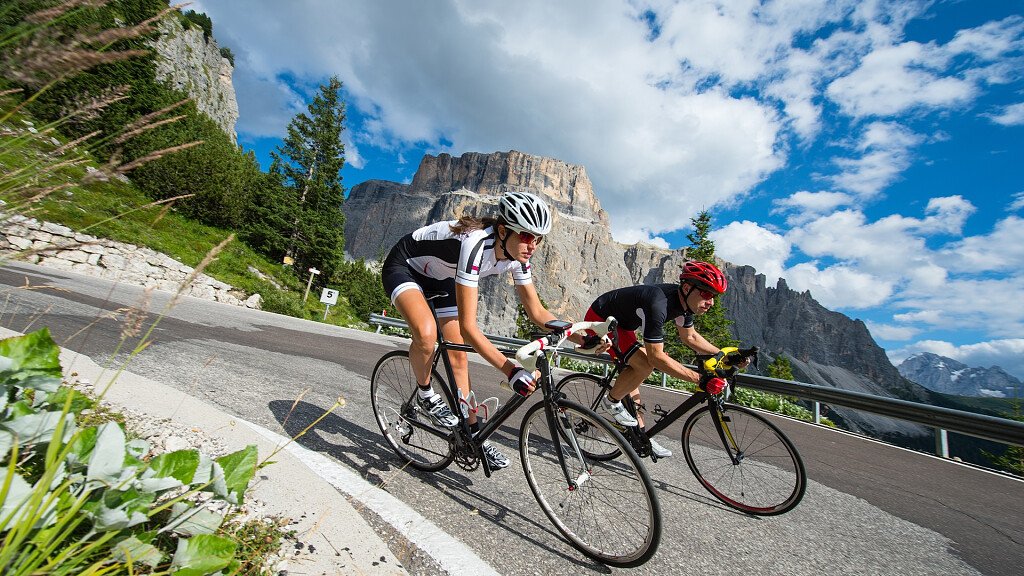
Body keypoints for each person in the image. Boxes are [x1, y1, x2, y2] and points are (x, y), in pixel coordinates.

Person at [381, 191, 582, 470]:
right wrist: (511, 371)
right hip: (406, 266)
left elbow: (537, 313)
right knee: (427, 334)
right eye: (526, 236)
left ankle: (474, 435)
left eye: (538, 239)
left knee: (458, 357)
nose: (532, 245)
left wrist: (581, 336)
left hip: (442, 278)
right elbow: (469, 327)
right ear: (503, 231)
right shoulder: (475, 242)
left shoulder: (519, 257)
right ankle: (426, 395)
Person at [580, 260, 746, 459]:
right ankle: (611, 401)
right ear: (687, 288)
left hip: (623, 325)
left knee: (635, 377)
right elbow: (656, 357)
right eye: (706, 294)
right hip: (601, 319)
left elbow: (690, 337)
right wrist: (700, 379)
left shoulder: (684, 305)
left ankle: (640, 435)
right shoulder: (659, 303)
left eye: (714, 296)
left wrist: (724, 355)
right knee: (644, 365)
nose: (711, 302)